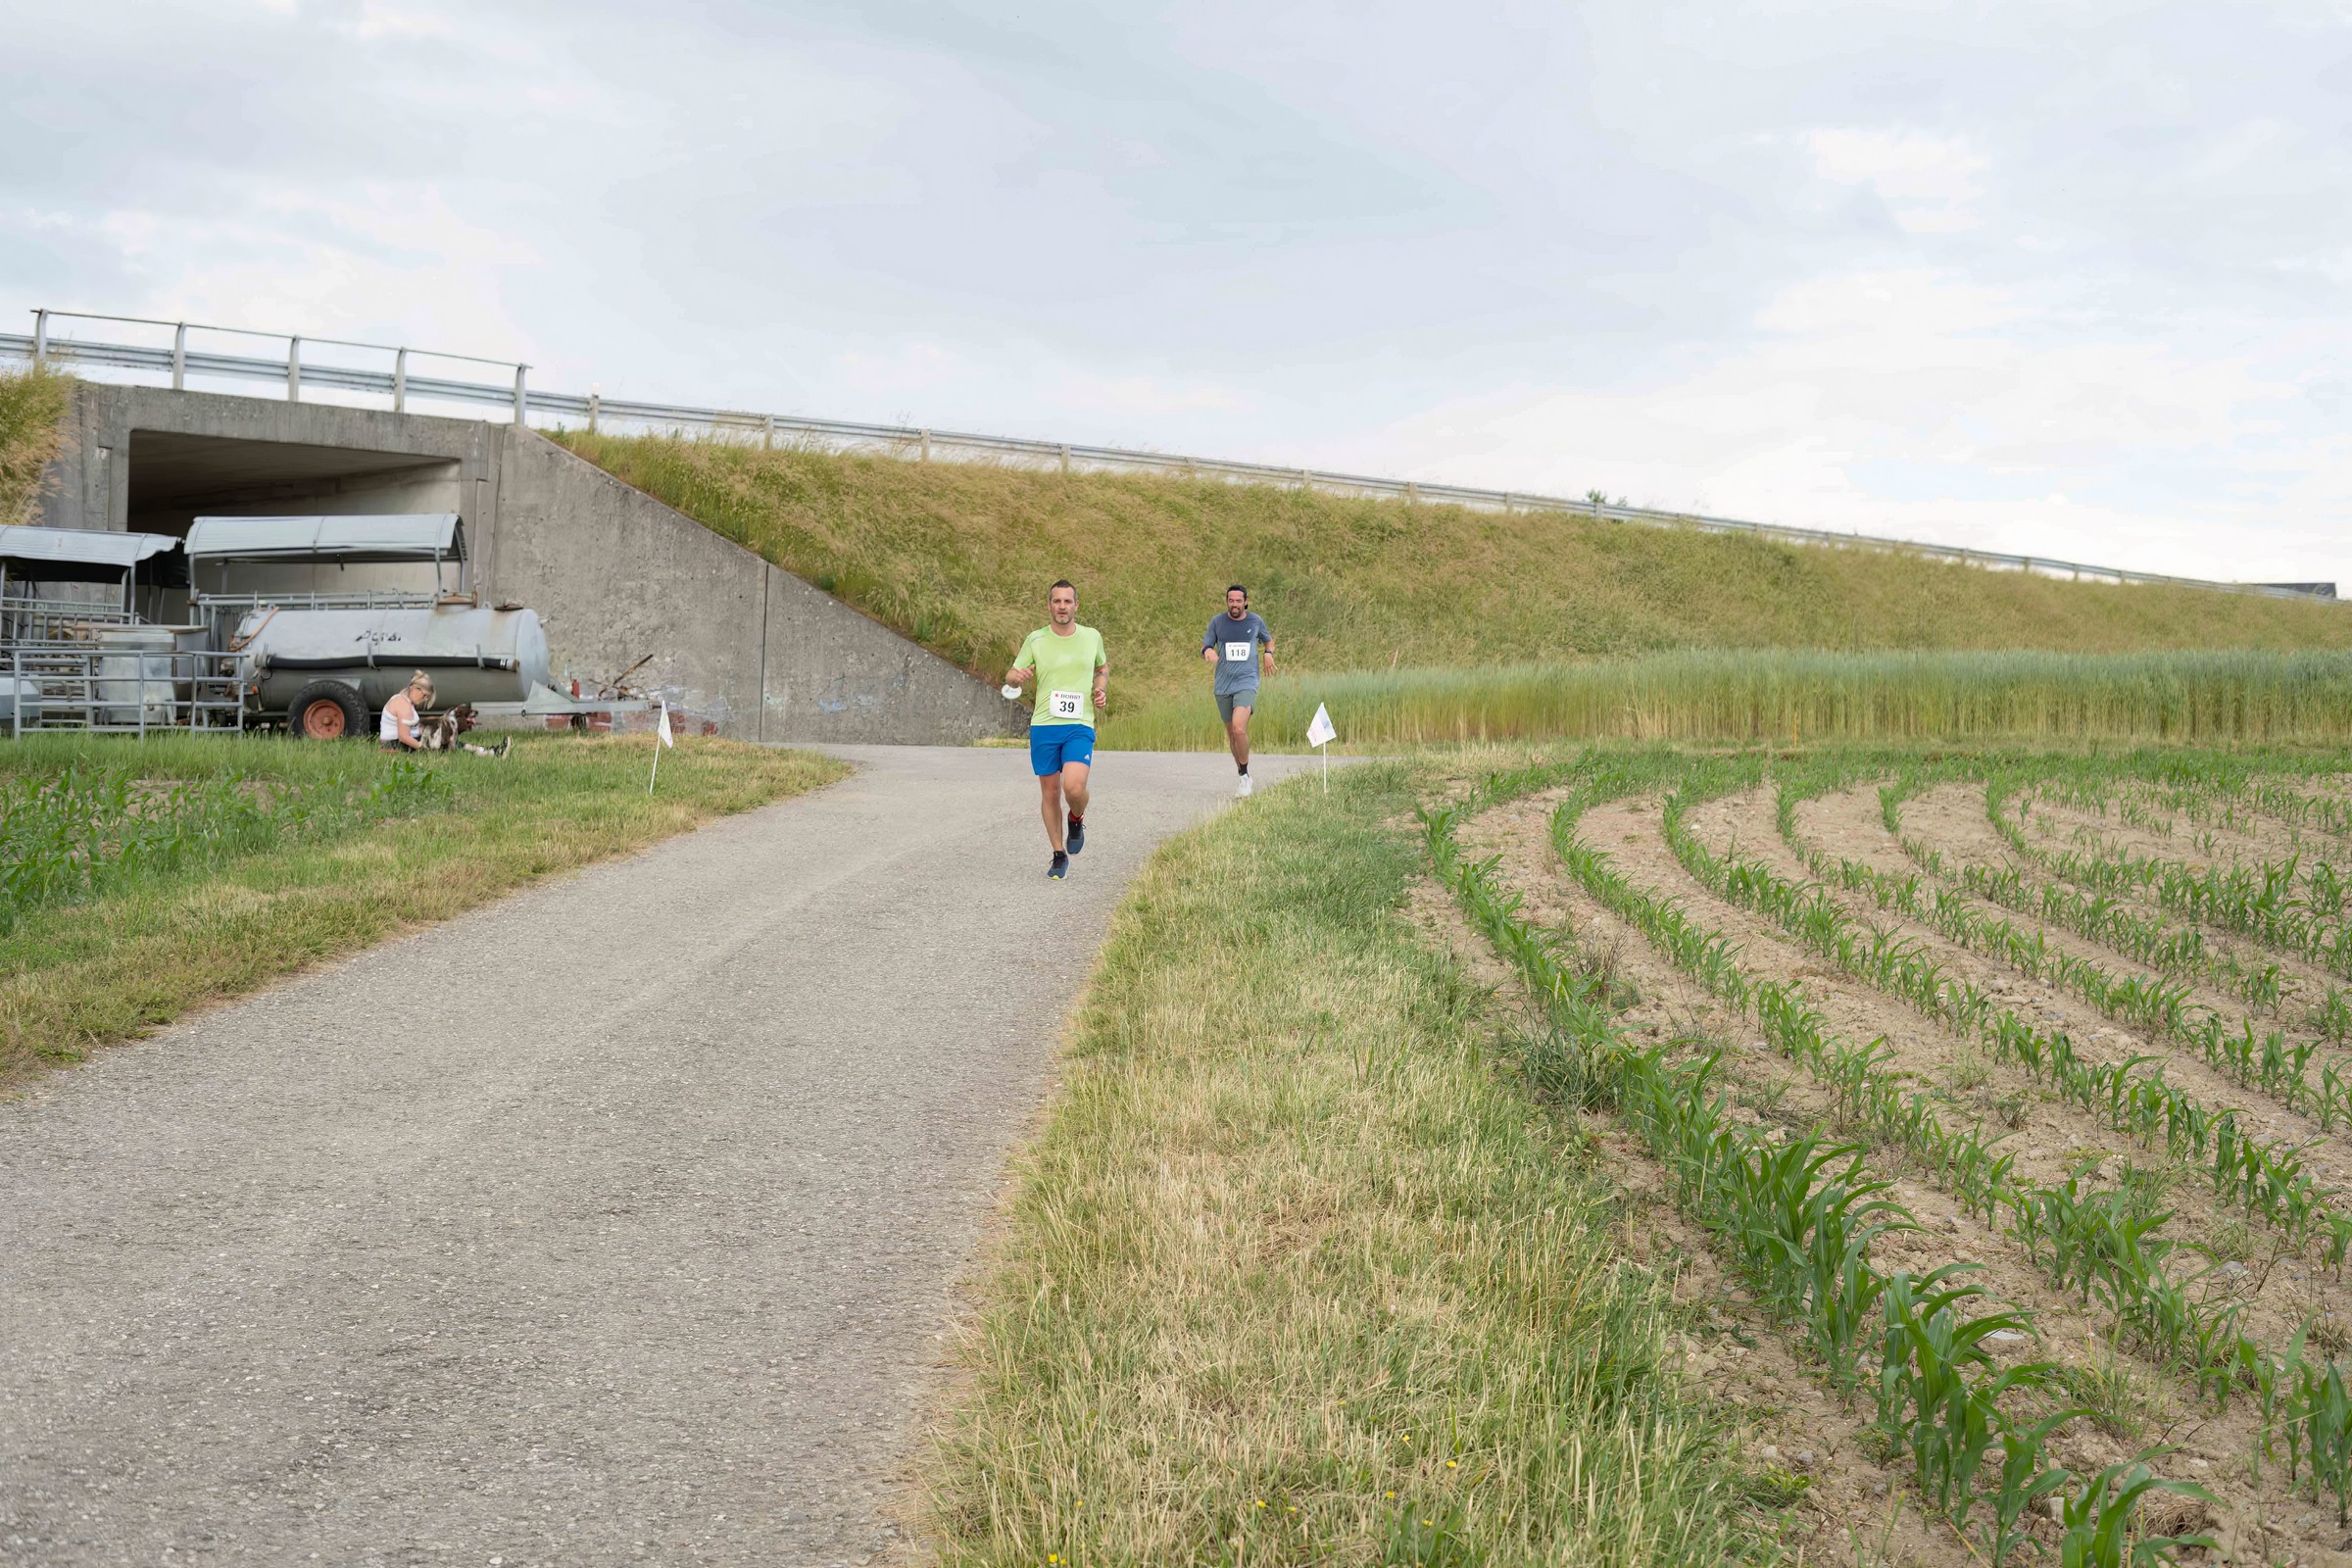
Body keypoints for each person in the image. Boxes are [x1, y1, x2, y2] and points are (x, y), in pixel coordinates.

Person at [1005, 580, 1107, 880]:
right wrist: (1016, 679)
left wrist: (1100, 689)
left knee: (1074, 787)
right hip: (1044, 725)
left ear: (1076, 605)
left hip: (1079, 724)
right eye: (1057, 601)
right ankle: (1058, 854)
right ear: (1049, 605)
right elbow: (1011, 675)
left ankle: (1076, 817)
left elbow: (1102, 669)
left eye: (1067, 601)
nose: (1062, 607)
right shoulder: (1036, 639)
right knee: (1050, 791)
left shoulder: (1092, 637)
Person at [1201, 584, 1273, 797]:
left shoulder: (1255, 621)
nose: (1234, 605)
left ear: (1245, 602)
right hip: (1223, 685)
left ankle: (1244, 777)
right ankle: (1243, 774)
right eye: (1231, 601)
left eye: (1238, 601)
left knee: (1239, 728)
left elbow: (1268, 641)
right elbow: (1206, 645)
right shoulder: (1217, 622)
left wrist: (1268, 653)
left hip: (1247, 682)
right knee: (1232, 734)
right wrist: (1208, 652)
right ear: (1227, 602)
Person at [380, 671, 434, 751]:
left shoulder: (404, 700)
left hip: (397, 743)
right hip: (395, 745)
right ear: (416, 688)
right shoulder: (403, 705)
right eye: (424, 695)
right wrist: (423, 749)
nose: (424, 699)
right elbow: (404, 737)